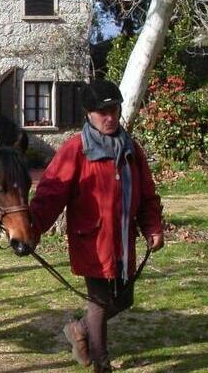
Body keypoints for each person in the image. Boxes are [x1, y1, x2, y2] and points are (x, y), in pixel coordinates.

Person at [29, 79, 165, 373]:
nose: (110, 117)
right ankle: (102, 365)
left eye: (114, 110)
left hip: (123, 241)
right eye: (102, 112)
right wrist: (32, 229)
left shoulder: (131, 149)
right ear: (88, 114)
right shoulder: (75, 149)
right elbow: (51, 194)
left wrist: (153, 227)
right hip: (91, 241)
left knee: (124, 299)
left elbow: (147, 196)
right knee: (100, 304)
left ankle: (78, 329)